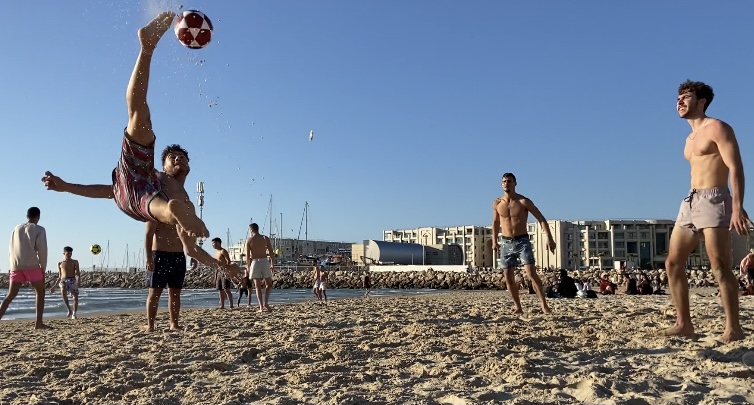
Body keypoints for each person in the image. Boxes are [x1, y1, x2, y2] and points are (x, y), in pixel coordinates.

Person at [40, 12, 237, 282]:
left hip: (142, 199)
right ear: (163, 164)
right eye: (172, 157)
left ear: (189, 167)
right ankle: (147, 48)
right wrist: (66, 187)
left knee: (162, 208)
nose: (178, 159)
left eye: (182, 157)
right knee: (139, 117)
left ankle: (171, 212)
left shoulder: (186, 203)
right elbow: (111, 191)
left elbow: (191, 249)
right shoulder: (161, 178)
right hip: (136, 177)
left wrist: (222, 267)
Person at [664, 80, 752, 343]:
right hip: (691, 201)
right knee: (672, 263)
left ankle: (733, 328)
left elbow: (736, 167)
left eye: (686, 97)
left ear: (702, 102)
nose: (680, 101)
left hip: (715, 198)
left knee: (720, 266)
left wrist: (737, 206)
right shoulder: (689, 138)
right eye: (678, 98)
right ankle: (684, 323)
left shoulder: (718, 128)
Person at [492, 172, 554, 314]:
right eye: (504, 181)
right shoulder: (497, 203)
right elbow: (495, 222)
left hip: (522, 240)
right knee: (508, 276)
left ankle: (544, 305)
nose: (506, 183)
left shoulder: (523, 201)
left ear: (515, 183)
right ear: (501, 184)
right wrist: (494, 241)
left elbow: (541, 218)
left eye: (509, 181)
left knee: (531, 273)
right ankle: (518, 307)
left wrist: (549, 238)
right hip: (506, 242)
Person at [0, 207, 52, 329]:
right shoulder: (39, 229)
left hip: (16, 265)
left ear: (27, 216)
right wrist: (43, 268)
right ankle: (38, 323)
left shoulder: (16, 228)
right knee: (40, 292)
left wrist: (12, 265)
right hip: (32, 265)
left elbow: (11, 247)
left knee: (10, 295)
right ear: (38, 217)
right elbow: (42, 250)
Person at [245, 223, 275, 312]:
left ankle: (262, 306)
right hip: (264, 261)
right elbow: (271, 253)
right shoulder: (265, 238)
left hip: (255, 262)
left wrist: (248, 266)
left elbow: (247, 256)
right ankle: (265, 303)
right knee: (269, 283)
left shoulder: (249, 240)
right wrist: (272, 264)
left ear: (251, 230)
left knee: (257, 286)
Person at [50, 246, 80, 319]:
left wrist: (78, 280)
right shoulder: (60, 263)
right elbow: (60, 276)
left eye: (70, 253)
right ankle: (69, 310)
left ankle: (74, 313)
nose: (69, 255)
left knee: (75, 297)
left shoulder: (75, 262)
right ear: (64, 253)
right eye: (68, 253)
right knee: (63, 288)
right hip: (63, 280)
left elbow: (77, 273)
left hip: (72, 280)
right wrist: (54, 287)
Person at [211, 237, 234, 309]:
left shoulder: (223, 251)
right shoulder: (216, 252)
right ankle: (222, 305)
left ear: (218, 243)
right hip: (219, 272)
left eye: (214, 243)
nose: (213, 245)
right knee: (220, 289)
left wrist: (226, 269)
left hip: (225, 272)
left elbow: (228, 261)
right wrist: (215, 276)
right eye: (212, 244)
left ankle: (231, 305)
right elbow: (217, 264)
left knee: (226, 289)